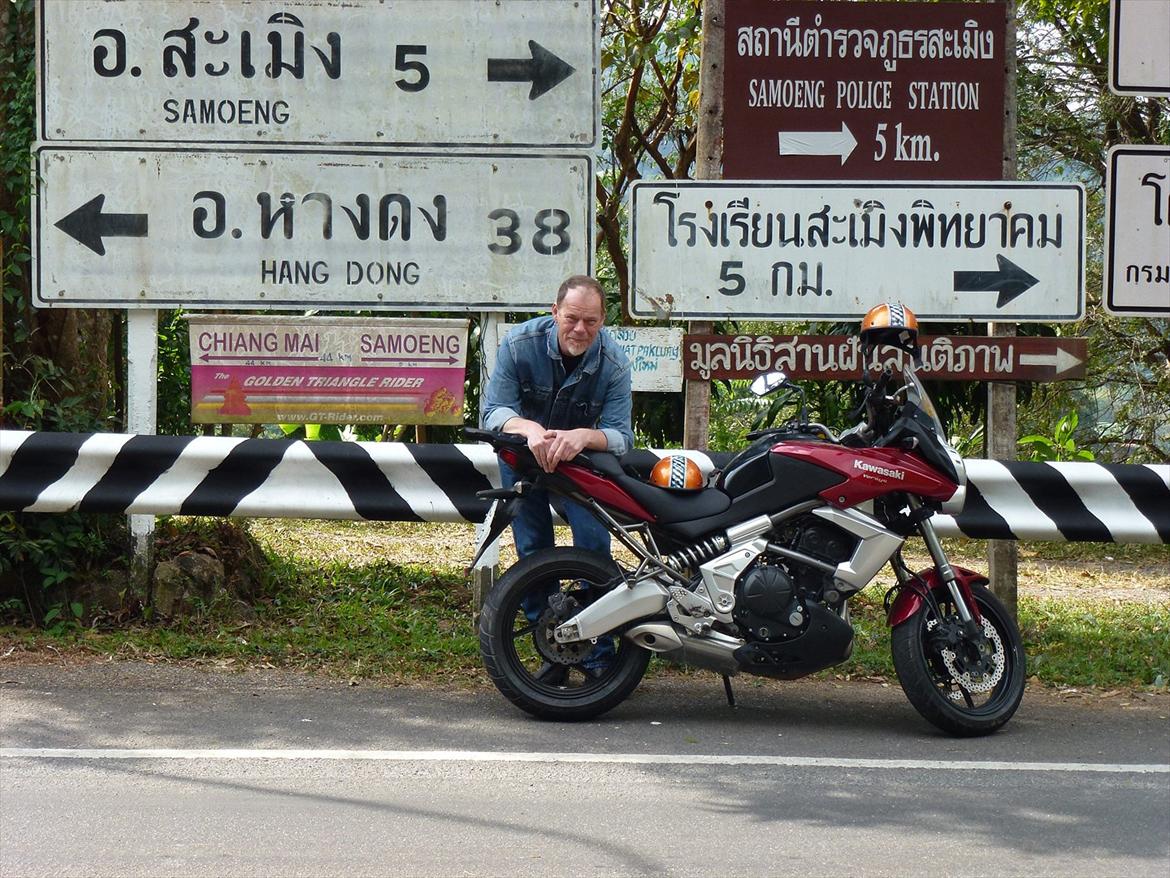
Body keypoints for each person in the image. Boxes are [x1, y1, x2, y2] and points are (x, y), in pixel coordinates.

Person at [480, 274, 634, 679]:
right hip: (522, 459)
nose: (580, 330)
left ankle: (599, 654)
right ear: (554, 312)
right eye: (572, 318)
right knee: (533, 553)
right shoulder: (519, 344)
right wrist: (529, 429)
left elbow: (622, 437)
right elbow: (493, 411)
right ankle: (553, 652)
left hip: (581, 465)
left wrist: (583, 436)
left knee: (594, 551)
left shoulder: (615, 363)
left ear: (603, 321)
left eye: (591, 322)